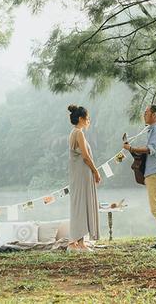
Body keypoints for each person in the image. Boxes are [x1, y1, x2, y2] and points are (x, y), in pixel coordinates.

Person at [123, 105, 156, 250]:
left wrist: (131, 149)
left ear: (154, 115)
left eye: (146, 113)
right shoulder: (154, 129)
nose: (144, 115)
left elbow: (150, 149)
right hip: (155, 173)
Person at [67, 105, 101, 252]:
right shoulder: (78, 133)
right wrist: (96, 171)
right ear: (80, 119)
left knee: (79, 206)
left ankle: (77, 242)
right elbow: (86, 157)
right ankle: (79, 243)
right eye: (87, 118)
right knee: (81, 206)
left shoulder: (73, 133)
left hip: (78, 175)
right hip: (82, 175)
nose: (89, 121)